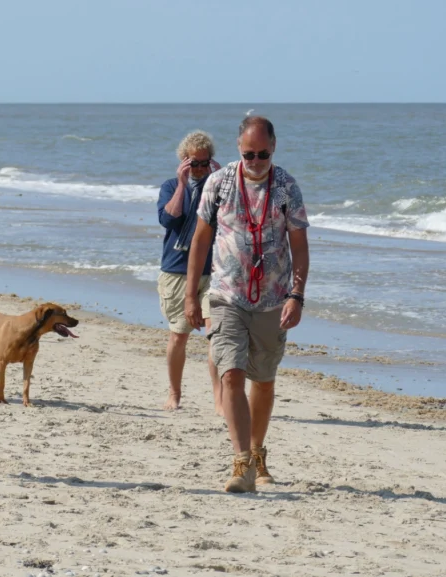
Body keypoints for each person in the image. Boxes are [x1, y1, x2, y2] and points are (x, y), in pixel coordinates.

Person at [184, 116, 310, 494]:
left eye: (263, 154)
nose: (256, 160)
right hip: (226, 296)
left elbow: (300, 247)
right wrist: (192, 294)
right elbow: (200, 241)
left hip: (273, 300)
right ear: (238, 148)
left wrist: (297, 295)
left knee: (264, 380)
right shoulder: (219, 184)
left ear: (274, 147)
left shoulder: (287, 187)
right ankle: (241, 464)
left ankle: (257, 453)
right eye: (249, 153)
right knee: (231, 374)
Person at [157, 130, 222, 413]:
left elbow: (232, 218)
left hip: (213, 271)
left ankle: (220, 399)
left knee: (215, 334)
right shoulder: (170, 186)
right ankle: (174, 393)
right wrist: (183, 183)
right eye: (193, 163)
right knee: (178, 335)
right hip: (176, 271)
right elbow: (167, 219)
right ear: (183, 161)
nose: (198, 169)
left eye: (203, 163)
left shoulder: (218, 188)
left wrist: (221, 181)